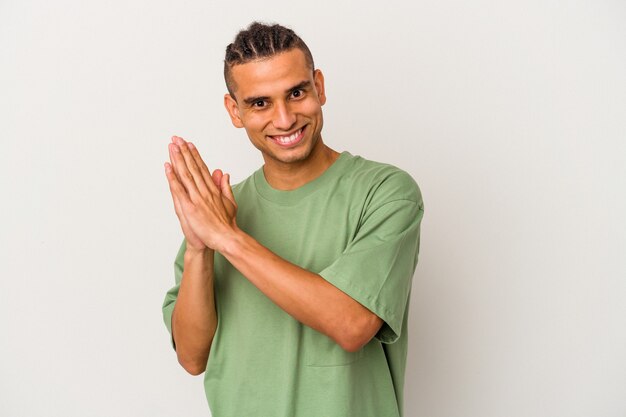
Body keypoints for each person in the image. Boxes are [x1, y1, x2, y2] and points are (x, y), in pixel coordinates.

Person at [162, 22, 424, 417]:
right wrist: (200, 247)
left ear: (319, 86)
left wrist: (228, 239)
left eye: (296, 93)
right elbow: (192, 357)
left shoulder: (385, 192)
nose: (284, 120)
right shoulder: (219, 213)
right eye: (260, 103)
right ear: (235, 111)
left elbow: (352, 324)